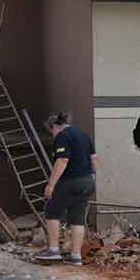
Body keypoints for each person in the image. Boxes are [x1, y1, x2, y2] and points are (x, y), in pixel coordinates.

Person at [35, 112, 98, 265]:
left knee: (52, 212)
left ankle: (53, 250)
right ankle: (76, 256)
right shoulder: (83, 135)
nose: (53, 135)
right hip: (87, 180)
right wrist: (93, 176)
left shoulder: (62, 136)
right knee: (77, 217)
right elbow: (94, 158)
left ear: (54, 126)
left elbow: (62, 160)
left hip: (69, 180)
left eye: (52, 132)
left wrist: (51, 184)